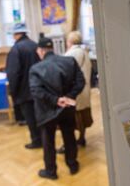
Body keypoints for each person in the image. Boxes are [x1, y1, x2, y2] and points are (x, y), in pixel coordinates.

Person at [29, 37, 85, 180]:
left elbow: (36, 91)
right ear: (52, 48)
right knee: (69, 136)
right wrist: (68, 97)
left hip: (47, 110)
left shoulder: (36, 69)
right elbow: (81, 82)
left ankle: (51, 171)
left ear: (40, 51)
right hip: (67, 108)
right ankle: (72, 165)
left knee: (48, 141)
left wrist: (56, 100)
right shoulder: (69, 61)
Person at [5, 23, 41, 149]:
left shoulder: (16, 49)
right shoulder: (35, 45)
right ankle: (43, 138)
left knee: (30, 118)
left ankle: (36, 141)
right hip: (39, 88)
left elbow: (13, 73)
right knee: (39, 115)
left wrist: (13, 91)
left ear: (16, 34)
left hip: (24, 90)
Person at [57, 31, 92, 154]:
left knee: (72, 118)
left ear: (69, 41)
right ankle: (81, 138)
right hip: (84, 89)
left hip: (75, 91)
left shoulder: (73, 53)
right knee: (82, 115)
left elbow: (66, 71)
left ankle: (69, 145)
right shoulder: (84, 51)